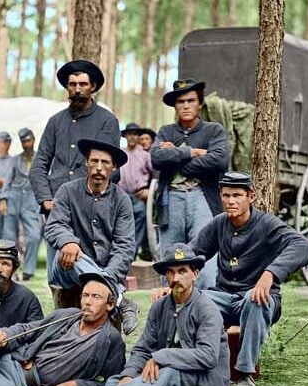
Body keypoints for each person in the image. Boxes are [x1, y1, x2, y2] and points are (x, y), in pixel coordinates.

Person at [66, 243, 231, 386]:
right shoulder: (160, 307)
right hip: (173, 376)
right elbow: (143, 348)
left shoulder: (206, 308)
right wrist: (128, 375)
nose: (175, 278)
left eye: (182, 271)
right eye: (170, 272)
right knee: (116, 381)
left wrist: (161, 357)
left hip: (203, 379)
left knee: (166, 373)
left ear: (195, 274)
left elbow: (208, 355)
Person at [189, 171, 308, 386]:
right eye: (226, 195)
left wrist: (270, 273)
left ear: (251, 197)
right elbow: (193, 253)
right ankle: (194, 365)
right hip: (225, 296)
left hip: (258, 298)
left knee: (256, 299)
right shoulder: (219, 224)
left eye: (237, 195)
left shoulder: (266, 224)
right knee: (194, 300)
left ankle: (245, 372)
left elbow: (302, 246)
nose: (230, 201)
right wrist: (177, 279)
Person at [29, 60, 120, 280]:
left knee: (89, 273)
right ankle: (62, 314)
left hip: (92, 211)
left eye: (82, 84)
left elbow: (113, 169)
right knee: (58, 276)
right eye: (72, 84)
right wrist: (46, 199)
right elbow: (39, 164)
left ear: (93, 87)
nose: (77, 89)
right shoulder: (55, 122)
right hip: (57, 210)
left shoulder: (107, 121)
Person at [44, 137, 139, 334]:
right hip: (67, 268)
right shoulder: (67, 191)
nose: (98, 167)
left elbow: (125, 246)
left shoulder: (122, 200)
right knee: (72, 256)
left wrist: (107, 275)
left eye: (105, 163)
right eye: (94, 161)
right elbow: (54, 225)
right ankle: (121, 299)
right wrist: (68, 241)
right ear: (86, 163)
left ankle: (109, 287)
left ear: (113, 167)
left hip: (106, 268)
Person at [150, 78, 230, 290]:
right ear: (175, 106)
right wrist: (190, 152)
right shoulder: (166, 132)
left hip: (202, 197)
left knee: (204, 255)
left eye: (191, 100)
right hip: (171, 198)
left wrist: (177, 162)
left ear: (200, 103)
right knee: (169, 255)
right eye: (180, 101)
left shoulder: (213, 131)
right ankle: (169, 309)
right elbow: (156, 158)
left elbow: (220, 160)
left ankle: (207, 307)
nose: (185, 105)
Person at [0, 128, 42, 281]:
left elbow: (44, 181)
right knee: (9, 236)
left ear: (33, 140)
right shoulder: (14, 160)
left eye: (29, 141)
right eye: (24, 142)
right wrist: (3, 199)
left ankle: (29, 270)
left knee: (34, 235)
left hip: (31, 199)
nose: (26, 144)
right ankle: (11, 269)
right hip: (14, 196)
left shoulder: (41, 159)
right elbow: (7, 181)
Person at [118, 122, 154, 261]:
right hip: (122, 196)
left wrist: (149, 191)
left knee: (139, 228)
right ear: (125, 136)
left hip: (139, 195)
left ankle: (131, 257)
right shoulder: (121, 153)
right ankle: (122, 255)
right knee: (122, 226)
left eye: (135, 134)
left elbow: (155, 175)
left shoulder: (145, 155)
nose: (132, 137)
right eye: (129, 134)